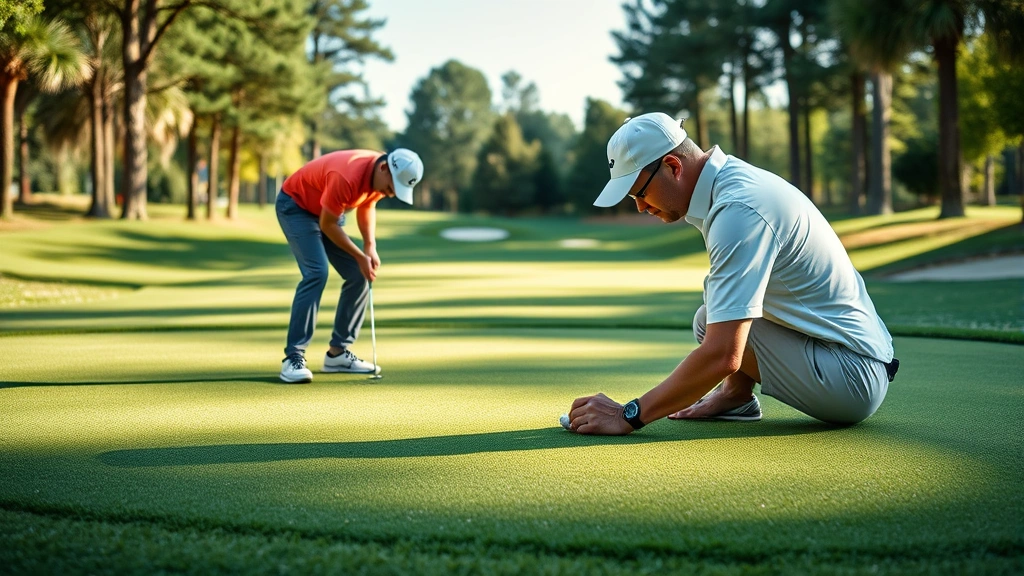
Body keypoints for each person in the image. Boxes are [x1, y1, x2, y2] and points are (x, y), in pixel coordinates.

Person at [566, 113, 898, 434]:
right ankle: (735, 398)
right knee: (708, 317)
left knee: (716, 329)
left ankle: (732, 396)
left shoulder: (738, 209)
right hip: (846, 360)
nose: (639, 206)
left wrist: (628, 415)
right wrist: (730, 388)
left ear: (672, 166)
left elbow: (723, 355)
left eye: (640, 192)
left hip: (851, 378)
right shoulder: (729, 186)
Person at [276, 148, 424, 383]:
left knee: (359, 274)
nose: (391, 194)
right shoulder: (347, 175)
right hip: (296, 207)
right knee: (317, 272)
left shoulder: (379, 173)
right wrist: (358, 255)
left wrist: (370, 246)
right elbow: (328, 224)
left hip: (326, 212)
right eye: (391, 187)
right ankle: (293, 357)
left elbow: (367, 205)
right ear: (384, 168)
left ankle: (338, 354)